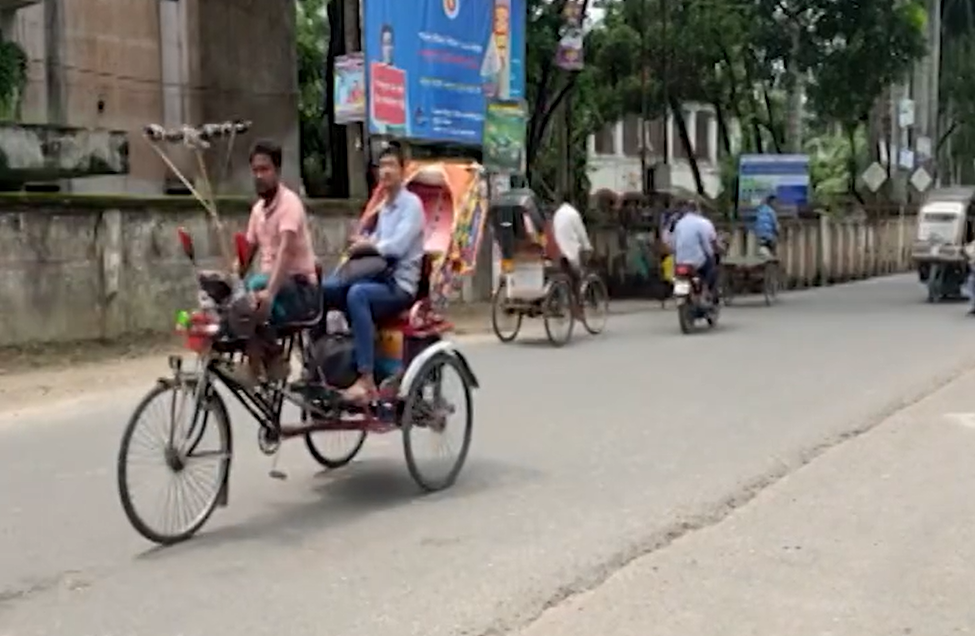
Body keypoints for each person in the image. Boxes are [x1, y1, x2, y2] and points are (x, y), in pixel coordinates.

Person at [321, 142, 423, 402]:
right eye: (382, 166)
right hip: (376, 277)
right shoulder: (384, 207)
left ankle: (365, 379)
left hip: (399, 285)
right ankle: (320, 367)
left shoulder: (412, 205)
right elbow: (375, 240)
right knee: (323, 290)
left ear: (403, 170)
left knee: (357, 295)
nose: (386, 171)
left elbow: (396, 248)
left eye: (392, 165)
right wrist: (361, 241)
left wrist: (370, 245)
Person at [239, 139, 320, 385]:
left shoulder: (290, 204)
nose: (259, 176)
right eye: (255, 171)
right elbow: (247, 252)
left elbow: (285, 252)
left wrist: (270, 292)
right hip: (271, 288)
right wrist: (230, 278)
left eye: (265, 170)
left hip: (299, 289)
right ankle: (269, 359)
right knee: (238, 303)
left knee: (256, 286)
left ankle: (264, 362)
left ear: (277, 171)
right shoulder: (257, 211)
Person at [668, 201, 719, 300]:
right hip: (697, 261)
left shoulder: (679, 224)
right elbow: (708, 243)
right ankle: (706, 291)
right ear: (698, 210)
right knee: (712, 268)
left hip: (680, 262)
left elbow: (673, 244)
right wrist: (713, 254)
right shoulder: (703, 223)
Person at [550, 200, 593, 316]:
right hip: (571, 253)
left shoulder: (557, 215)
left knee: (563, 277)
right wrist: (588, 247)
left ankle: (561, 302)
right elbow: (581, 234)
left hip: (558, 253)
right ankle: (577, 308)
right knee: (577, 279)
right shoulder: (574, 214)